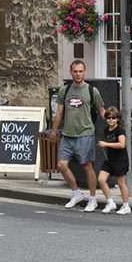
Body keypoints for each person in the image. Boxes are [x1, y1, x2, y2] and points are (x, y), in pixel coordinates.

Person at [50, 60, 106, 212]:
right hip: (67, 134)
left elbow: (102, 110)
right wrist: (54, 132)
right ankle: (76, 193)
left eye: (81, 71)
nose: (78, 74)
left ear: (85, 72)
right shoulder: (65, 90)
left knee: (87, 166)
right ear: (71, 72)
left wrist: (113, 125)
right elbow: (59, 113)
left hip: (85, 134)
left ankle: (92, 199)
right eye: (75, 71)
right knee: (62, 165)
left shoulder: (91, 91)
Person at [97, 107, 131, 215]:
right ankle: (110, 202)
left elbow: (122, 144)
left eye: (113, 117)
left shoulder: (120, 130)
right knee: (101, 179)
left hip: (120, 160)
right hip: (110, 160)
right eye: (108, 118)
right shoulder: (106, 130)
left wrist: (106, 144)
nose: (110, 120)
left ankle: (126, 205)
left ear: (117, 119)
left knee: (121, 183)